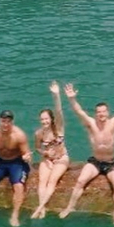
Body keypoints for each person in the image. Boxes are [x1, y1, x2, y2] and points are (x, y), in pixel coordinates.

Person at [59, 79, 114, 224]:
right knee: (80, 181)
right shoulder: (91, 123)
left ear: (108, 112)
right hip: (96, 162)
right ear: (96, 114)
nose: (101, 114)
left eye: (103, 112)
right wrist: (72, 98)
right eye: (98, 112)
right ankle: (70, 207)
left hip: (111, 162)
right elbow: (79, 111)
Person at [31, 82, 70, 219]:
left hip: (62, 158)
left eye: (46, 119)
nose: (44, 121)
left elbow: (59, 111)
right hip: (47, 159)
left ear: (51, 119)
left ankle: (40, 208)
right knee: (42, 182)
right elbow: (37, 148)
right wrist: (45, 153)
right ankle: (42, 209)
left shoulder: (58, 128)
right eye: (42, 119)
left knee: (52, 181)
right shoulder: (38, 133)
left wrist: (56, 95)